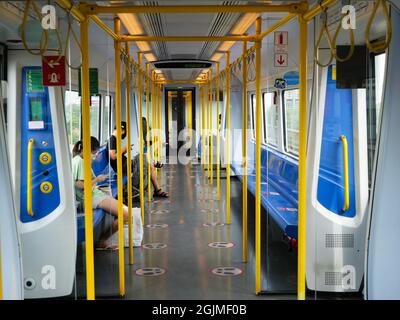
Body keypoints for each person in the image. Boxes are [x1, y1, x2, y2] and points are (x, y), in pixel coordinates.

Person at [72, 137, 143, 250]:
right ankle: (102, 240)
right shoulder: (80, 162)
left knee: (123, 212)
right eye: (93, 153)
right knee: (126, 214)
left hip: (94, 194)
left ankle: (104, 239)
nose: (95, 156)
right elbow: (80, 185)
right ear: (85, 150)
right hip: (91, 197)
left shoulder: (77, 159)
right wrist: (97, 180)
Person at [107, 122, 168, 198]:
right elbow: (112, 156)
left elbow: (116, 155)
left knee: (148, 162)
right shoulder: (112, 139)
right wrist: (124, 149)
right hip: (123, 166)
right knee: (146, 159)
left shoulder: (115, 139)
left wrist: (125, 150)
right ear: (122, 130)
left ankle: (157, 189)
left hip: (126, 163)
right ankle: (157, 189)